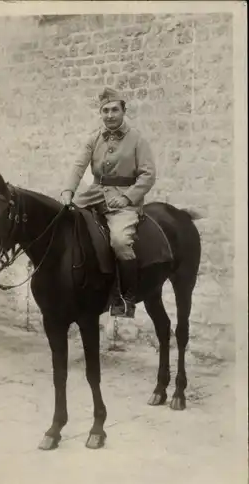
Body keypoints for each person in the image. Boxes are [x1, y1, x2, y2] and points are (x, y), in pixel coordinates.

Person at [61, 87, 156, 318]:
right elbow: (78, 166)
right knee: (63, 220)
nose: (110, 115)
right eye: (105, 110)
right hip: (94, 193)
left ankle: (126, 296)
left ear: (124, 110)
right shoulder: (94, 138)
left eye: (115, 109)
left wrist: (126, 197)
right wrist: (67, 191)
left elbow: (148, 175)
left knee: (120, 241)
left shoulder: (137, 139)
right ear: (100, 113)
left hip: (124, 197)